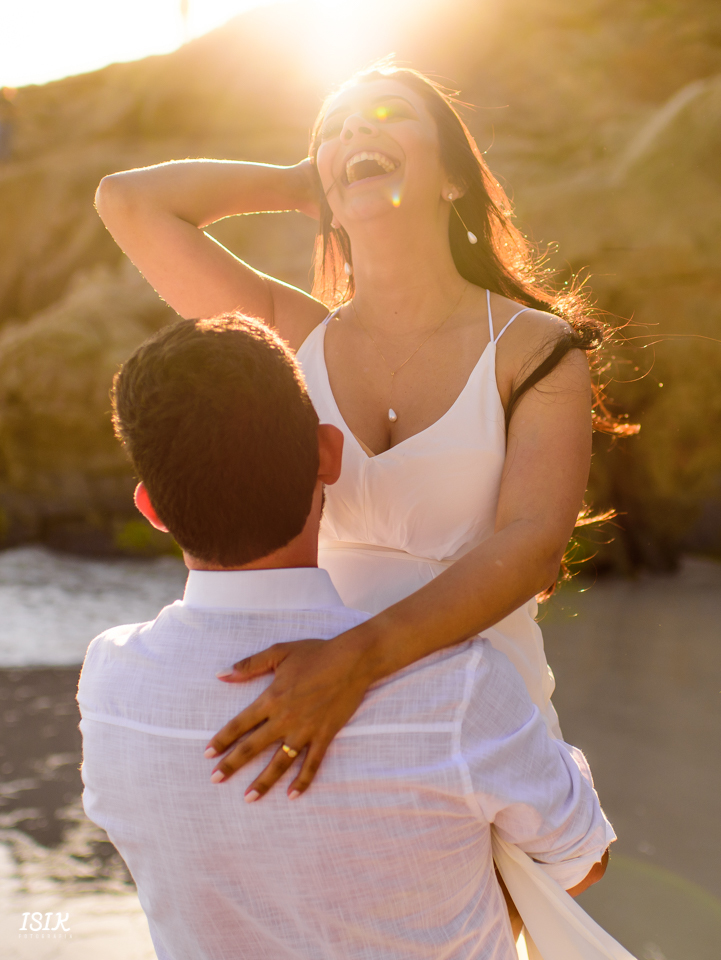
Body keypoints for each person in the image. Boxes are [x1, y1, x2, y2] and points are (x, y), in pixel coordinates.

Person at [95, 63, 620, 805]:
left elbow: (531, 544)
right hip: (321, 727)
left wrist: (355, 659)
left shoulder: (535, 349)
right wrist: (301, 182)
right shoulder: (292, 336)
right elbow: (127, 202)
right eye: (335, 129)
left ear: (453, 179)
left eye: (388, 114)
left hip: (482, 733)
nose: (356, 130)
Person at [78, 314, 614, 959]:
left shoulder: (110, 683)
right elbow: (582, 859)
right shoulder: (458, 688)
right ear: (329, 455)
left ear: (152, 509)